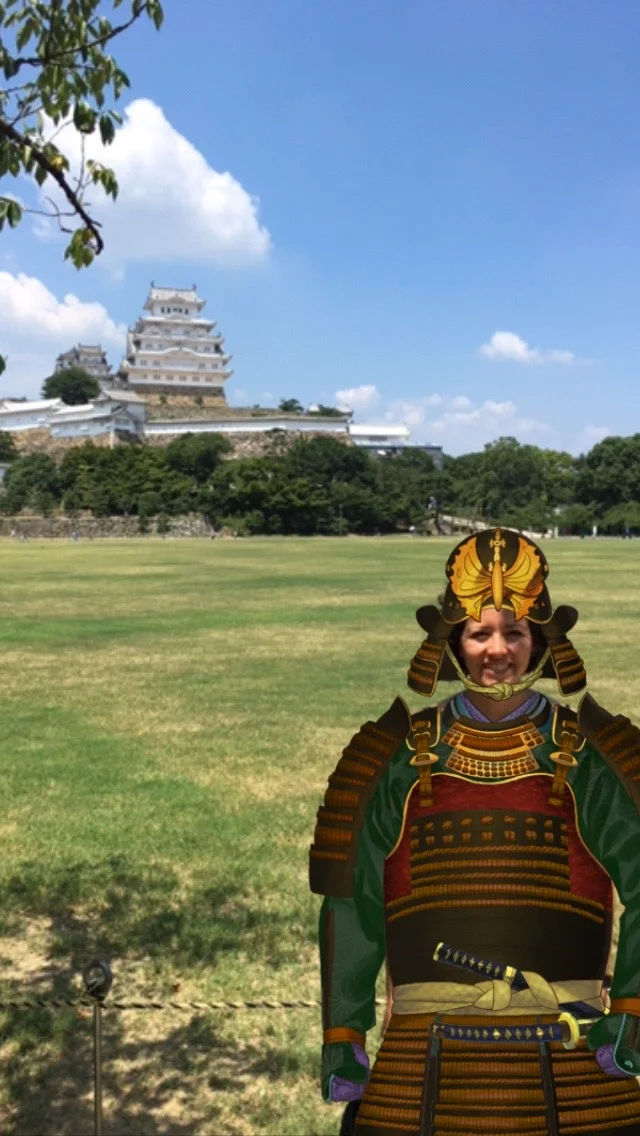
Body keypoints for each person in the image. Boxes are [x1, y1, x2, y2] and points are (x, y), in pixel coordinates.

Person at [310, 528, 640, 1136]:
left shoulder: (594, 757)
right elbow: (351, 898)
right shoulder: (391, 757)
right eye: (479, 633)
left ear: (539, 643)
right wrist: (343, 1031)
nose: (498, 650)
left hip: (570, 1049)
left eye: (514, 632)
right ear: (454, 644)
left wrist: (631, 1007)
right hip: (420, 1059)